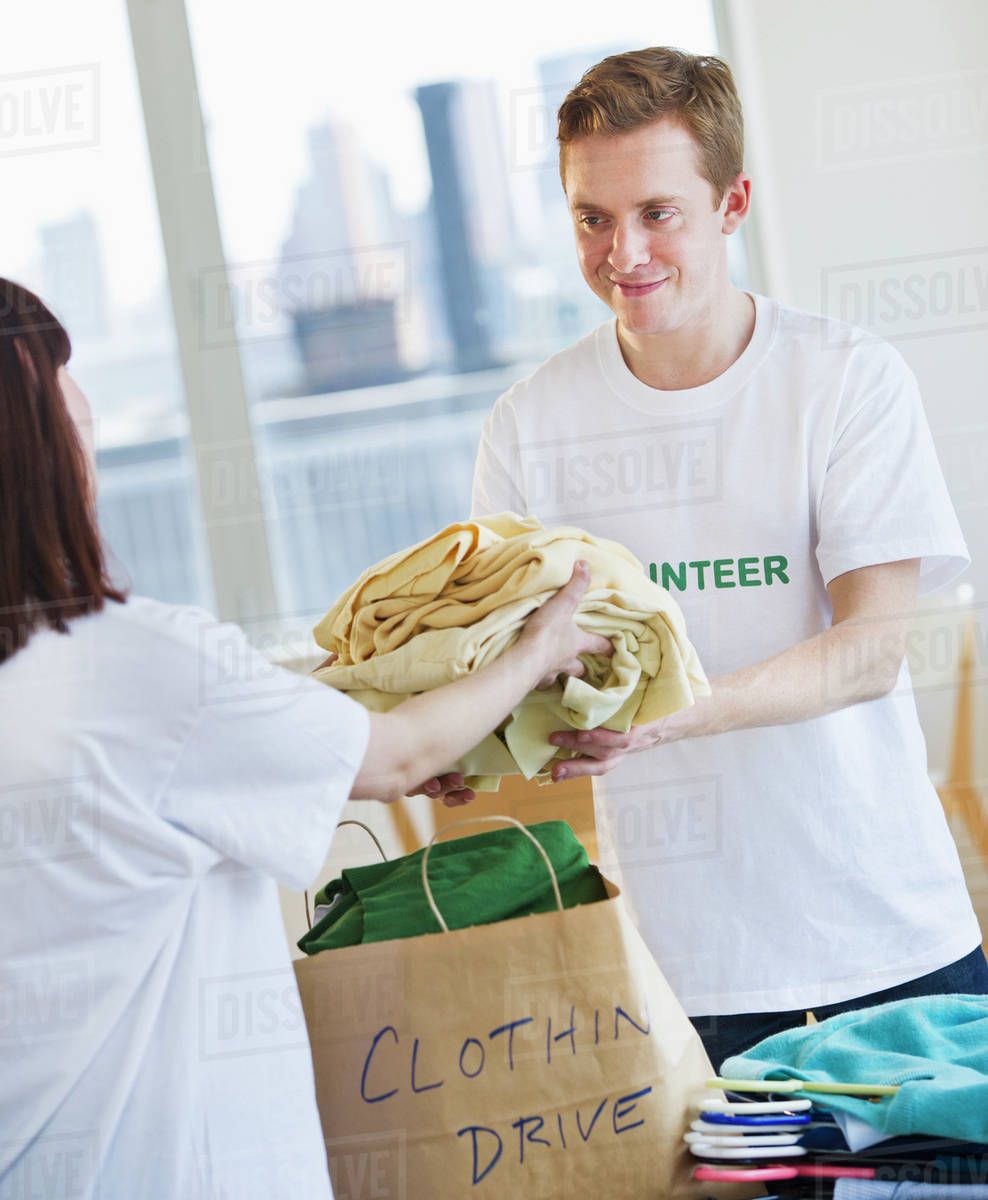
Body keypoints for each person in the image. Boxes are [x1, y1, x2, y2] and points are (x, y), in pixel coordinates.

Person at [0, 278, 610, 1198]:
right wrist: (539, 651)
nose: (84, 404)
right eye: (64, 376)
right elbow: (390, 754)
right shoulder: (136, 664)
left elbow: (268, 748)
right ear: (36, 430)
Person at [467, 46, 988, 1069]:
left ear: (732, 203)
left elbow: (868, 654)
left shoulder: (845, 382)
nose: (624, 252)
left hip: (888, 940)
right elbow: (510, 664)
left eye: (657, 212)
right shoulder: (529, 426)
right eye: (591, 217)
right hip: (683, 970)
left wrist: (660, 718)